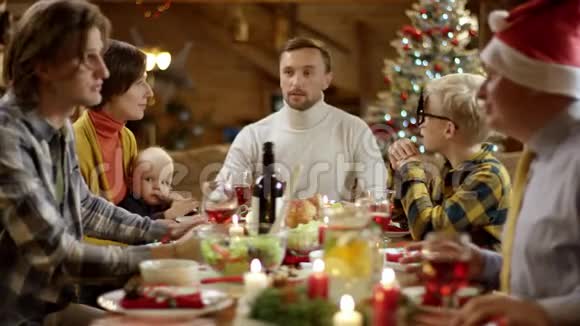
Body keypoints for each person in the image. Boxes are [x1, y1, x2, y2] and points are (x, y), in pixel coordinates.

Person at [0, 0, 202, 324]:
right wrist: (168, 254)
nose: (104, 71)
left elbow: (88, 207)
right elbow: (57, 255)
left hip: (55, 306)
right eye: (88, 58)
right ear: (45, 64)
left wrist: (161, 230)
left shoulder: (58, 124)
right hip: (19, 314)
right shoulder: (7, 137)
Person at [403, 1, 580, 325]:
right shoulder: (541, 155)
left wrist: (544, 314)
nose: (482, 93)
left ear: (537, 85)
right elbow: (552, 274)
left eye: (494, 76)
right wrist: (483, 264)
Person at [217, 37, 386, 201]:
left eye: (307, 73)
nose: (296, 82)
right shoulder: (252, 135)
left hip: (334, 229)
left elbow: (377, 197)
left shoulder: (354, 129)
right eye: (288, 72)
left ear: (327, 80)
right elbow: (221, 198)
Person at [388, 73, 510, 249]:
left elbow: (428, 233)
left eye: (426, 116)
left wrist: (410, 170)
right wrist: (401, 169)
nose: (421, 124)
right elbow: (406, 220)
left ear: (448, 129)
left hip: (477, 276)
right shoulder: (450, 167)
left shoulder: (488, 177)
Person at [73, 39, 152, 205]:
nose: (149, 92)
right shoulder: (74, 146)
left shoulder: (126, 138)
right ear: (112, 87)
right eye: (139, 83)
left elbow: (130, 205)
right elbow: (82, 222)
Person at [119, 146, 198, 220]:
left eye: (164, 182)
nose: (158, 186)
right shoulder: (130, 203)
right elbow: (141, 225)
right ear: (131, 183)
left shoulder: (163, 203)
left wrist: (176, 202)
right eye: (149, 179)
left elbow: (192, 213)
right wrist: (168, 214)